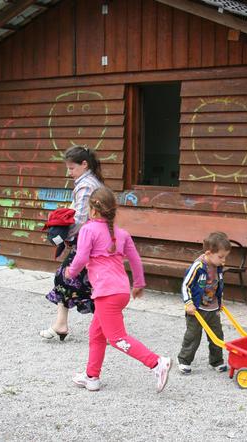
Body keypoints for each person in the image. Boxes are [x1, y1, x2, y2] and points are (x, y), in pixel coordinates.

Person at [65, 187, 171, 393]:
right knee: (96, 333)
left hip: (106, 293)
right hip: (120, 291)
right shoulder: (122, 234)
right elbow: (135, 261)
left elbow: (81, 257)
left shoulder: (88, 229)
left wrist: (71, 271)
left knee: (116, 338)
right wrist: (138, 284)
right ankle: (91, 377)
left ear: (93, 210)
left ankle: (156, 363)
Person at [40, 145, 103, 341]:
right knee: (82, 282)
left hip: (87, 241)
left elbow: (81, 218)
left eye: (71, 168)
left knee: (68, 278)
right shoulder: (92, 181)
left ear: (84, 164)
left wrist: (66, 237)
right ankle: (62, 324)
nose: (69, 173)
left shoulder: (85, 186)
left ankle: (107, 327)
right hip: (93, 240)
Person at [178, 232, 231, 375]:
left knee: (217, 335)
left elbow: (218, 284)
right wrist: (188, 303)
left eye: (225, 256)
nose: (223, 260)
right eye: (221, 257)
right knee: (193, 336)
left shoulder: (218, 266)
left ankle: (216, 361)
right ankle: (184, 361)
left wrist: (221, 300)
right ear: (209, 253)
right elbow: (185, 285)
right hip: (196, 309)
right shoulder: (198, 267)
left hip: (212, 308)